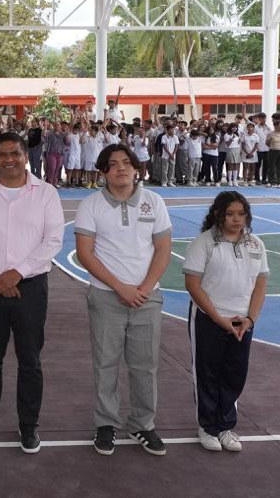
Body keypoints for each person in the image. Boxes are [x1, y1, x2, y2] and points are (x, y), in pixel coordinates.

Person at [0, 131, 64, 452]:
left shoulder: (46, 193)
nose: (9, 160)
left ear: (25, 156)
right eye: (3, 154)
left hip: (31, 288)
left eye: (15, 153)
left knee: (29, 360)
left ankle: (28, 425)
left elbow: (52, 241)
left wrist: (16, 274)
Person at [74, 143, 172, 457]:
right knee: (106, 364)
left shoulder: (154, 202)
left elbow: (163, 249)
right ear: (103, 171)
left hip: (147, 297)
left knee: (145, 366)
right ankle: (106, 424)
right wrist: (121, 288)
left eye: (126, 163)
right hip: (106, 297)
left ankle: (142, 423)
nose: (121, 168)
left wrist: (143, 288)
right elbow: (86, 255)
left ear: (135, 168)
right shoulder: (90, 205)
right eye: (113, 164)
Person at [182, 191, 268, 453]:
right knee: (207, 373)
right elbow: (193, 284)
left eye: (241, 214)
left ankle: (225, 426)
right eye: (230, 214)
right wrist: (219, 319)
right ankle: (207, 426)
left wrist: (250, 318)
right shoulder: (204, 243)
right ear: (218, 214)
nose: (236, 219)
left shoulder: (255, 244)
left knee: (234, 373)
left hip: (242, 322)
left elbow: (261, 284)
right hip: (209, 319)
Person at [265, 120, 280, 188]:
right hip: (273, 151)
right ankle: (270, 182)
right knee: (271, 167)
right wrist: (274, 147)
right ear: (275, 126)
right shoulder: (271, 134)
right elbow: (267, 143)